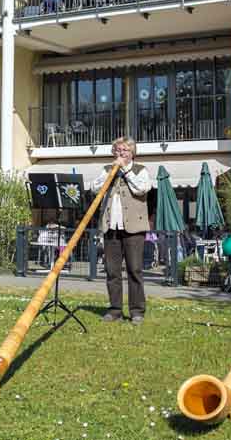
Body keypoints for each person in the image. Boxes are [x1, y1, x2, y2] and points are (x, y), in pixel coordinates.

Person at [91, 137, 152, 325]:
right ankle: (114, 310)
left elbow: (142, 189)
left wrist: (125, 170)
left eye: (125, 150)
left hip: (134, 228)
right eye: (117, 150)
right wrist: (109, 172)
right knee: (112, 271)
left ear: (132, 152)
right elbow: (94, 188)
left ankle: (137, 311)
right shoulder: (107, 170)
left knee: (134, 269)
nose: (121, 153)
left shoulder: (140, 170)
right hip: (111, 227)